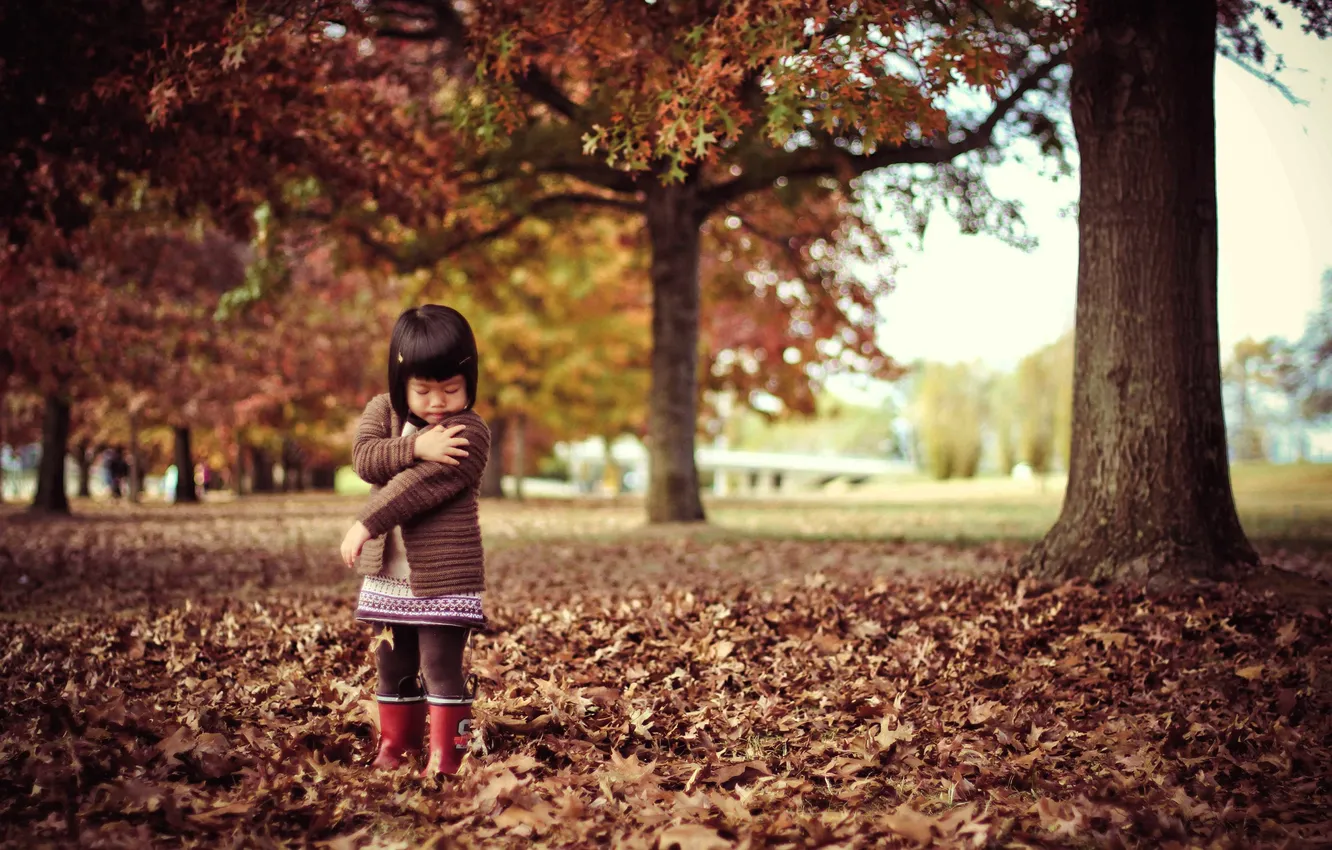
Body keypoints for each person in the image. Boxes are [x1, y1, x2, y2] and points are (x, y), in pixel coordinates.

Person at [339, 304, 491, 777]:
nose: (437, 403)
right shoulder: (382, 412)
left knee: (439, 665)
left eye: (451, 389)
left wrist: (366, 522)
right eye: (423, 391)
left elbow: (418, 485)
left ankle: (446, 757)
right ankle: (394, 746)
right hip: (390, 576)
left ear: (468, 384)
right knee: (392, 662)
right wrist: (413, 444)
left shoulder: (469, 431)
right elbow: (365, 458)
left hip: (444, 577)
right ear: (400, 384)